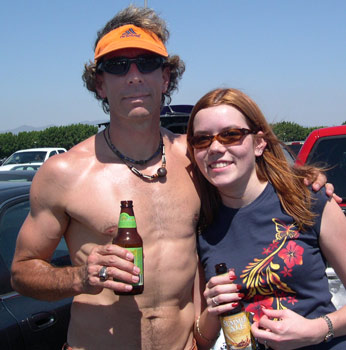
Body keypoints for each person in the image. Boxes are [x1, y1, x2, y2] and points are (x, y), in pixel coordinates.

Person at [10, 5, 332, 350]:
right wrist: (79, 276)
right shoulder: (64, 172)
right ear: (100, 83)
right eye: (118, 66)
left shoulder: (196, 158)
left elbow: (258, 187)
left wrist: (306, 182)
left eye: (147, 63)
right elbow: (22, 271)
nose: (134, 76)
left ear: (165, 78)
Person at [186, 88, 346, 350]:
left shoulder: (309, 200)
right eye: (202, 140)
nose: (215, 147)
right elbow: (201, 340)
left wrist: (317, 329)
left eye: (230, 135)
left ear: (259, 143)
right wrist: (213, 310)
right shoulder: (200, 227)